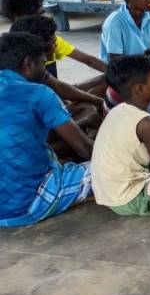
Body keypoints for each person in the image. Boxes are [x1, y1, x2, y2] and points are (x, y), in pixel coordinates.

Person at [0, 32, 93, 227]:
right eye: (43, 63)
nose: (45, 70)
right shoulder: (38, 93)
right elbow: (86, 150)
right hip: (25, 205)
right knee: (116, 165)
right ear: (28, 63)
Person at [91, 55, 150, 216]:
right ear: (140, 89)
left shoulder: (118, 110)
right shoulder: (147, 123)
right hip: (134, 199)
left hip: (108, 194)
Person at [9, 15, 107, 139]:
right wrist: (86, 122)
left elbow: (58, 86)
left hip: (44, 124)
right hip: (32, 140)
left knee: (88, 106)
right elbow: (36, 136)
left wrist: (99, 101)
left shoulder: (32, 66)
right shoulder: (25, 90)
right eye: (53, 44)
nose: (56, 47)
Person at [2, 0, 106, 83]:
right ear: (19, 17)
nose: (46, 17)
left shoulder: (50, 40)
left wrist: (112, 73)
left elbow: (88, 60)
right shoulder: (7, 53)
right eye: (40, 14)